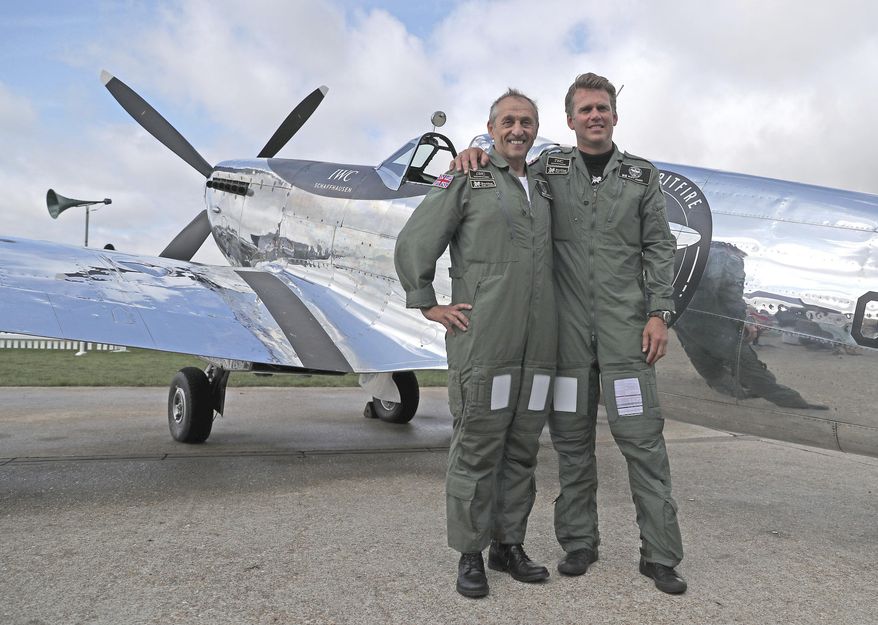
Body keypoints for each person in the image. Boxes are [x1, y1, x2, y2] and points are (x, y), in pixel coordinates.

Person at [454, 73, 687, 594]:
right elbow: (504, 161)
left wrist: (659, 313)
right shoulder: (547, 171)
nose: (595, 116)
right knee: (572, 446)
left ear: (614, 117)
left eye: (603, 108)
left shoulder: (641, 176)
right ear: (570, 119)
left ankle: (661, 556)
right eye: (585, 110)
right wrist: (469, 156)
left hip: (628, 337)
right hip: (566, 343)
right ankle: (579, 543)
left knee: (643, 444)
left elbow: (660, 246)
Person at [394, 89, 557, 599]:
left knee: (522, 449)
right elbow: (416, 239)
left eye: (527, 122)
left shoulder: (548, 186)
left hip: (539, 345)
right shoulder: (467, 176)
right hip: (484, 339)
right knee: (477, 447)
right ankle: (470, 554)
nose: (518, 129)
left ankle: (507, 546)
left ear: (535, 129)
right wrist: (427, 302)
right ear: (490, 129)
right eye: (508, 121)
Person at [674, 241, 828, 410]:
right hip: (707, 319)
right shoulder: (730, 258)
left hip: (679, 315)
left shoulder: (692, 253)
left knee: (701, 357)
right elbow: (731, 296)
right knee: (745, 361)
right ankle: (790, 400)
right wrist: (744, 322)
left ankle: (733, 390)